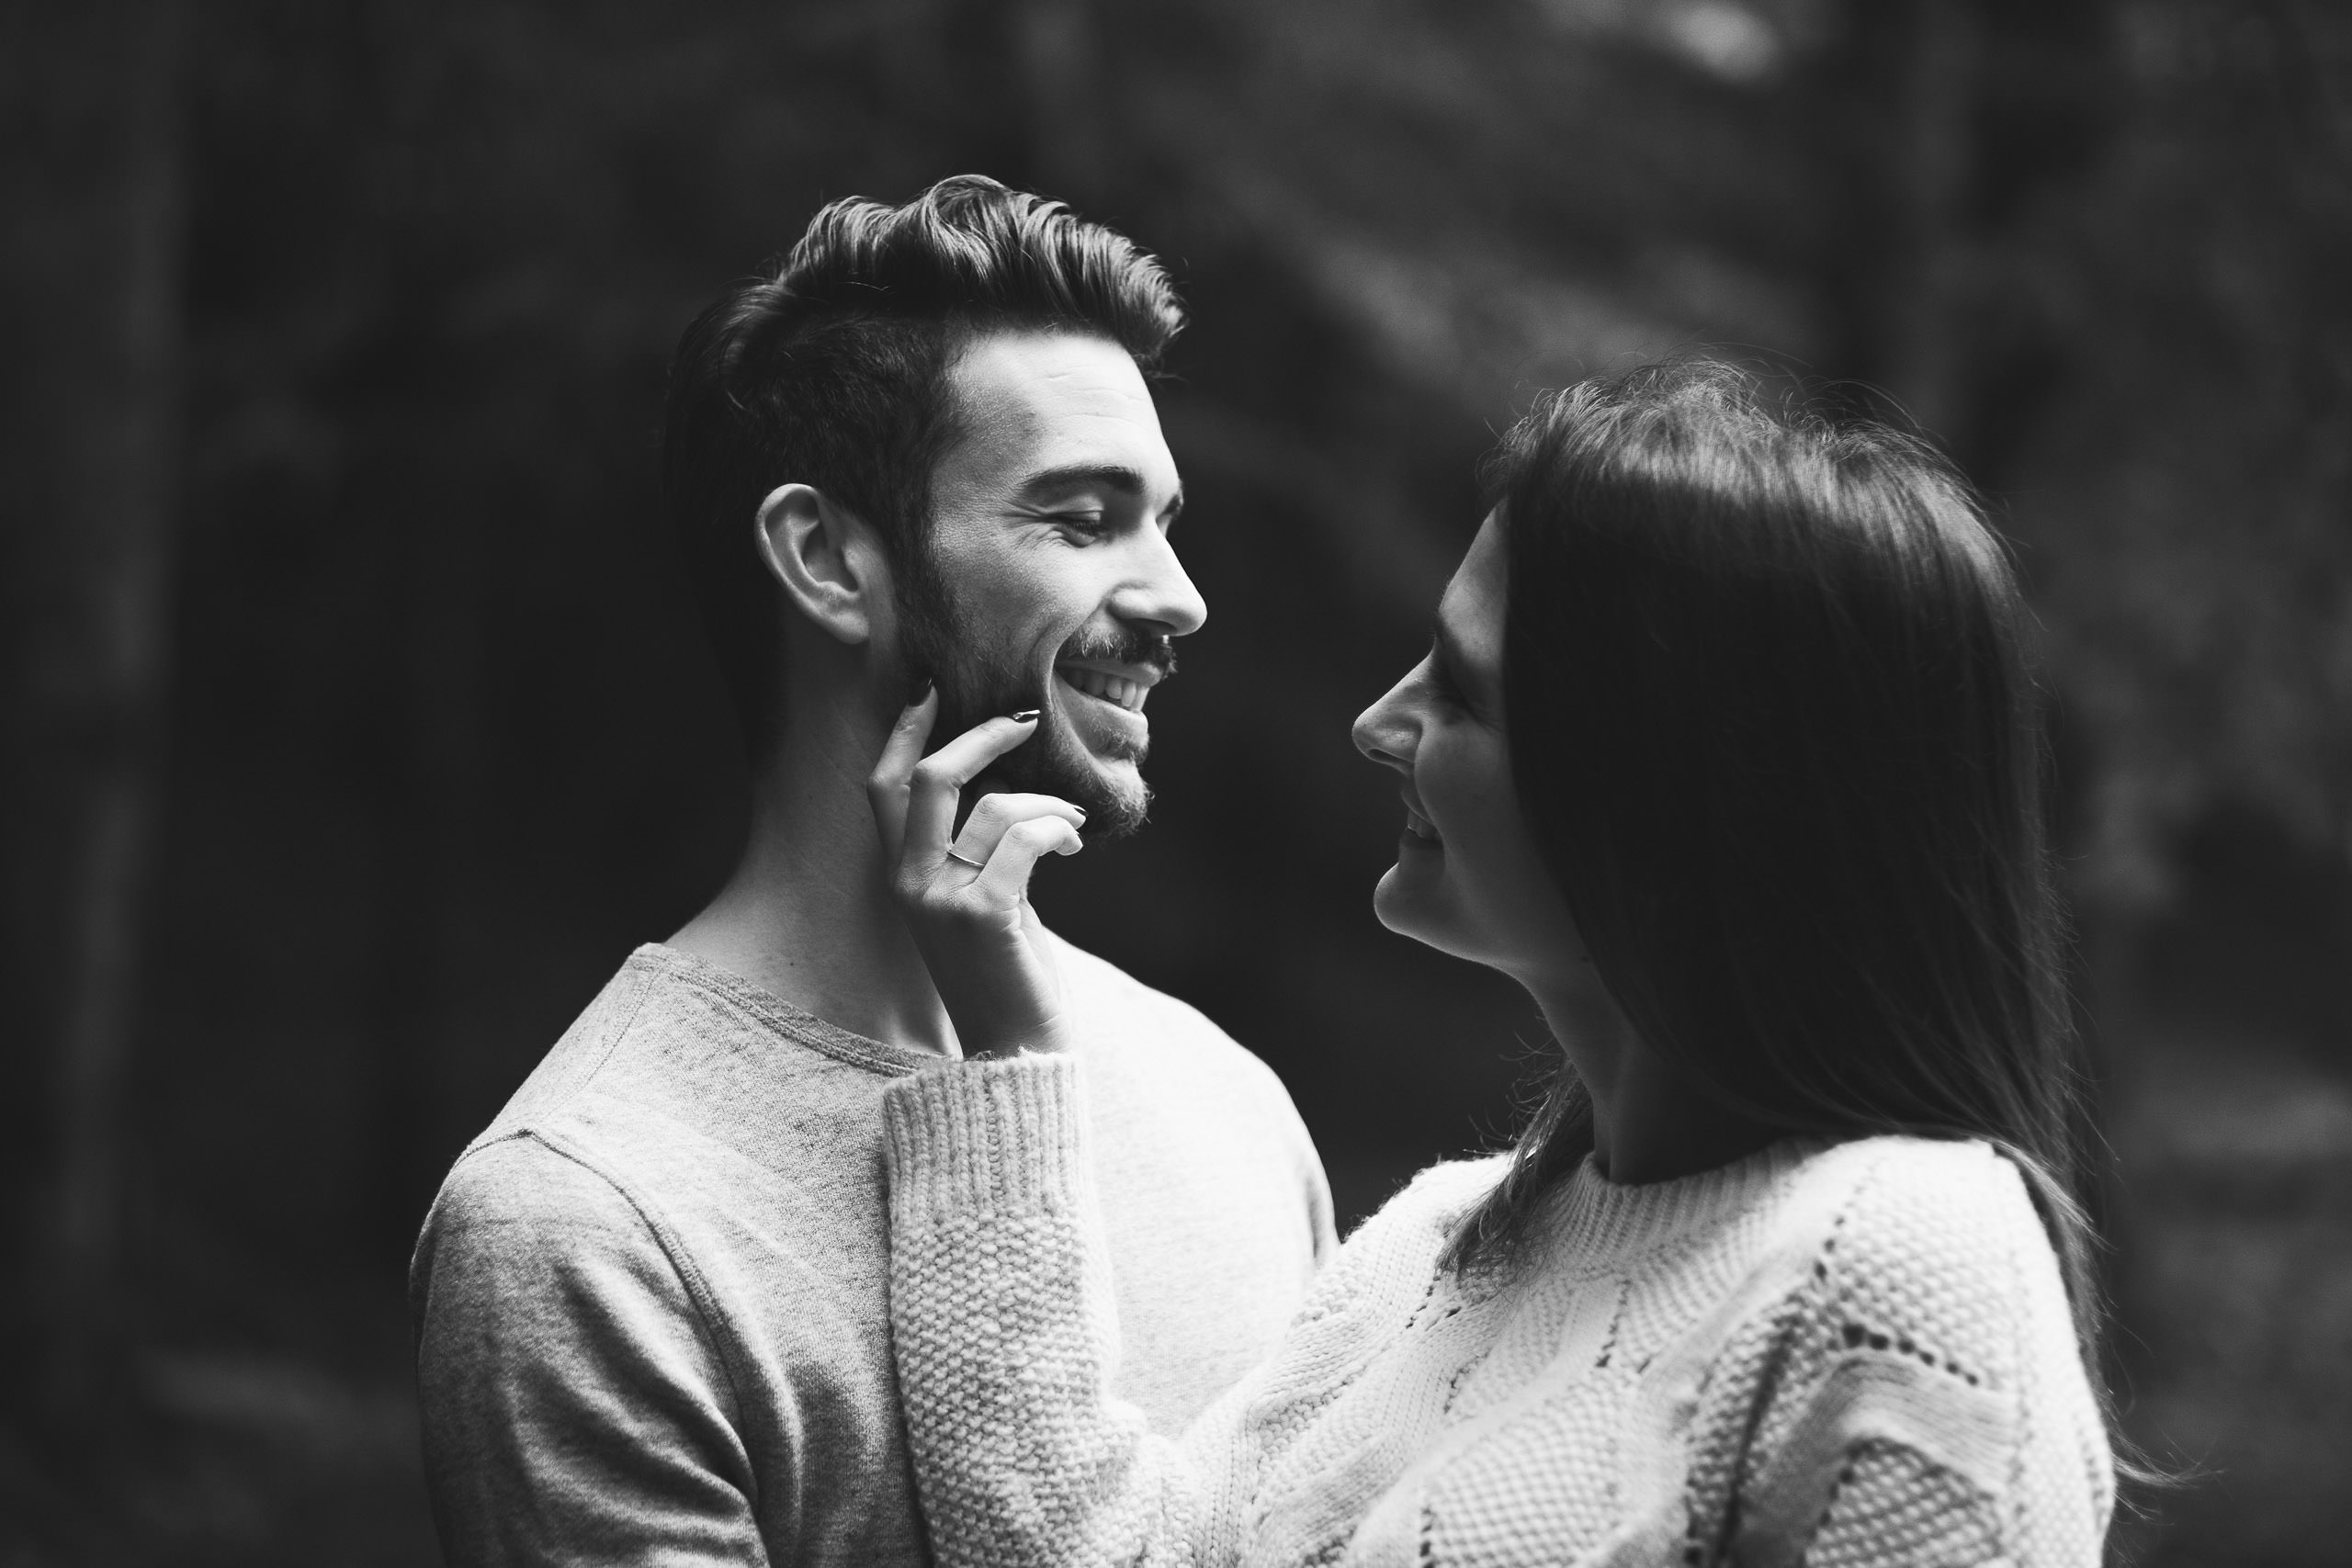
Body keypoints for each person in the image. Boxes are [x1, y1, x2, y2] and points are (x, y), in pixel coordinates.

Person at [871, 361, 2121, 1568]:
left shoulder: (1905, 1262)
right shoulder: (1432, 1248)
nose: (1377, 725)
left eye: (1462, 695)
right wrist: (1009, 1051)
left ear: (1671, 785)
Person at [406, 175, 1334, 1566]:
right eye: (1082, 521)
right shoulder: (586, 1228)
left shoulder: (1229, 1101)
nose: (1178, 598)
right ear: (827, 561)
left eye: (1164, 520)